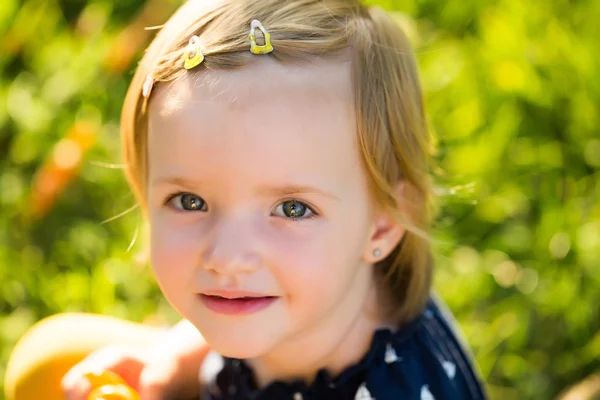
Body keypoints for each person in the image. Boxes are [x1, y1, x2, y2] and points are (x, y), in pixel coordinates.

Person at [5, 0, 488, 399]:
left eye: (292, 209)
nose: (227, 258)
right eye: (190, 201)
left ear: (382, 224)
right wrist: (176, 364)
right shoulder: (300, 298)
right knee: (48, 355)